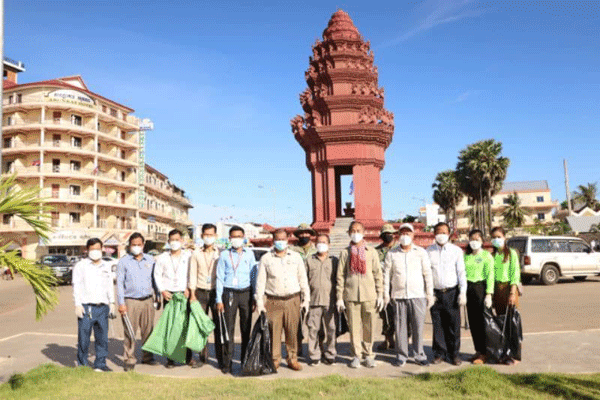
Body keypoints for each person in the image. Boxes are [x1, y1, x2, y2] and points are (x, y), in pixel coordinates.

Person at [256, 229, 310, 371]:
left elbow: (303, 279)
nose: (280, 242)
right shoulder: (266, 258)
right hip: (273, 300)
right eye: (277, 239)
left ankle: (292, 358)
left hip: (293, 299)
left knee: (292, 331)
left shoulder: (296, 257)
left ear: (288, 240)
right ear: (273, 240)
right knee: (274, 332)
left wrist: (306, 299)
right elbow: (260, 282)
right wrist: (259, 303)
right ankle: (275, 359)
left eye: (283, 239)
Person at [383, 223, 433, 367]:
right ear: (398, 236)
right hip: (399, 296)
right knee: (400, 328)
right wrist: (386, 294)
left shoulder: (421, 252)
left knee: (418, 327)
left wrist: (429, 293)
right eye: (402, 233)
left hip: (417, 295)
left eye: (408, 233)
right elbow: (386, 275)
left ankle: (419, 355)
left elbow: (427, 274)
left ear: (413, 235)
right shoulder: (392, 253)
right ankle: (401, 355)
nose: (405, 236)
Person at [336, 221, 384, 368]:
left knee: (369, 327)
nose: (355, 233)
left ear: (364, 233)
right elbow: (340, 276)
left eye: (358, 230)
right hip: (351, 296)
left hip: (369, 295)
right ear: (349, 233)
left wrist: (380, 294)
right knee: (354, 328)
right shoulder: (345, 253)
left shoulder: (372, 252)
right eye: (353, 231)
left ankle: (368, 354)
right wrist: (339, 297)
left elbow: (377, 274)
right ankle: (356, 355)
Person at [215, 225, 258, 374]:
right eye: (234, 237)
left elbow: (254, 276)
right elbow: (219, 277)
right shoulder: (224, 255)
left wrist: (255, 296)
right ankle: (227, 363)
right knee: (228, 329)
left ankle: (245, 362)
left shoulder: (249, 254)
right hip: (229, 293)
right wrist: (219, 299)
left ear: (244, 238)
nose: (237, 239)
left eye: (239, 236)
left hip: (246, 293)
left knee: (246, 329)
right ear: (229, 238)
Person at [426, 222, 467, 366]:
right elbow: (427, 273)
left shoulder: (456, 251)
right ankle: (439, 353)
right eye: (438, 232)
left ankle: (454, 354)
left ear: (449, 234)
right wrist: (428, 293)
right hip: (435, 294)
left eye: (444, 232)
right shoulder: (428, 251)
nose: (441, 235)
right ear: (434, 234)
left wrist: (463, 292)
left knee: (453, 325)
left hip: (452, 292)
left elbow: (461, 272)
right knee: (438, 325)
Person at [72, 238, 116, 372]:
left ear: (102, 249)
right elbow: (76, 286)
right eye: (92, 249)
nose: (95, 252)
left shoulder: (106, 266)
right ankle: (82, 364)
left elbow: (109, 285)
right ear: (87, 250)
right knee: (84, 338)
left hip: (102, 307)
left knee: (102, 338)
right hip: (87, 307)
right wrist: (77, 304)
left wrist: (112, 302)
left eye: (97, 249)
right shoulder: (81, 266)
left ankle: (100, 364)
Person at [116, 232, 158, 372]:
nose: (136, 247)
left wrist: (157, 296)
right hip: (130, 301)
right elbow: (120, 284)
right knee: (130, 332)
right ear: (129, 245)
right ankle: (129, 359)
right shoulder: (123, 262)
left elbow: (155, 279)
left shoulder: (150, 260)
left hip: (147, 300)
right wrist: (121, 303)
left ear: (143, 245)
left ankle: (148, 357)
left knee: (148, 330)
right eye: (134, 245)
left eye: (139, 244)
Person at [153, 229, 192, 368]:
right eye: (172, 240)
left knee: (186, 326)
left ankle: (188, 358)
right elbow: (157, 275)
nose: (175, 242)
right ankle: (170, 359)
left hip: (184, 294)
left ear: (182, 241)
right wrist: (162, 290)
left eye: (177, 239)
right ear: (168, 241)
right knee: (170, 327)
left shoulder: (188, 256)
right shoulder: (162, 257)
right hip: (169, 295)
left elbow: (191, 274)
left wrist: (189, 288)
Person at [188, 223, 222, 369]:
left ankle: (221, 359)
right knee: (201, 327)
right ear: (202, 236)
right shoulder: (196, 254)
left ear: (216, 236)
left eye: (211, 235)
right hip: (200, 292)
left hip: (216, 293)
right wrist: (192, 294)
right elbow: (192, 274)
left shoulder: (220, 253)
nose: (208, 237)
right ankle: (203, 357)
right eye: (206, 235)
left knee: (219, 326)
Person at [305, 233, 338, 366]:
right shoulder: (309, 260)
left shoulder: (334, 261)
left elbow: (339, 280)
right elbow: (304, 280)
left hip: (331, 301)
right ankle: (314, 356)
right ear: (315, 244)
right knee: (313, 330)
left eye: (324, 242)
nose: (321, 244)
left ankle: (330, 354)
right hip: (314, 301)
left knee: (331, 329)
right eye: (319, 242)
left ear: (329, 245)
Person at [490, 226, 521, 365]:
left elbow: (515, 273)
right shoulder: (492, 255)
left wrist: (512, 292)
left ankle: (514, 354)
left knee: (511, 323)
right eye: (494, 237)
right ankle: (503, 352)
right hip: (497, 290)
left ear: (504, 237)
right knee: (501, 323)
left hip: (509, 288)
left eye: (499, 237)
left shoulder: (511, 253)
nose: (496, 239)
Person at [463, 229, 494, 365]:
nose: (474, 242)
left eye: (477, 239)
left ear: (482, 241)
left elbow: (490, 275)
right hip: (469, 289)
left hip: (481, 288)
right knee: (473, 322)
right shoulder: (466, 256)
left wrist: (489, 294)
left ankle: (485, 352)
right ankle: (478, 350)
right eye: (472, 239)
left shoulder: (486, 256)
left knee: (483, 322)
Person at [375, 223, 398, 352]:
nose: (388, 236)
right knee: (385, 315)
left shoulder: (399, 249)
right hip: (383, 287)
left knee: (399, 314)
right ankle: (388, 339)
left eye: (390, 234)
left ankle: (401, 339)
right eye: (385, 234)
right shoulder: (376, 252)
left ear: (394, 235)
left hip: (398, 286)